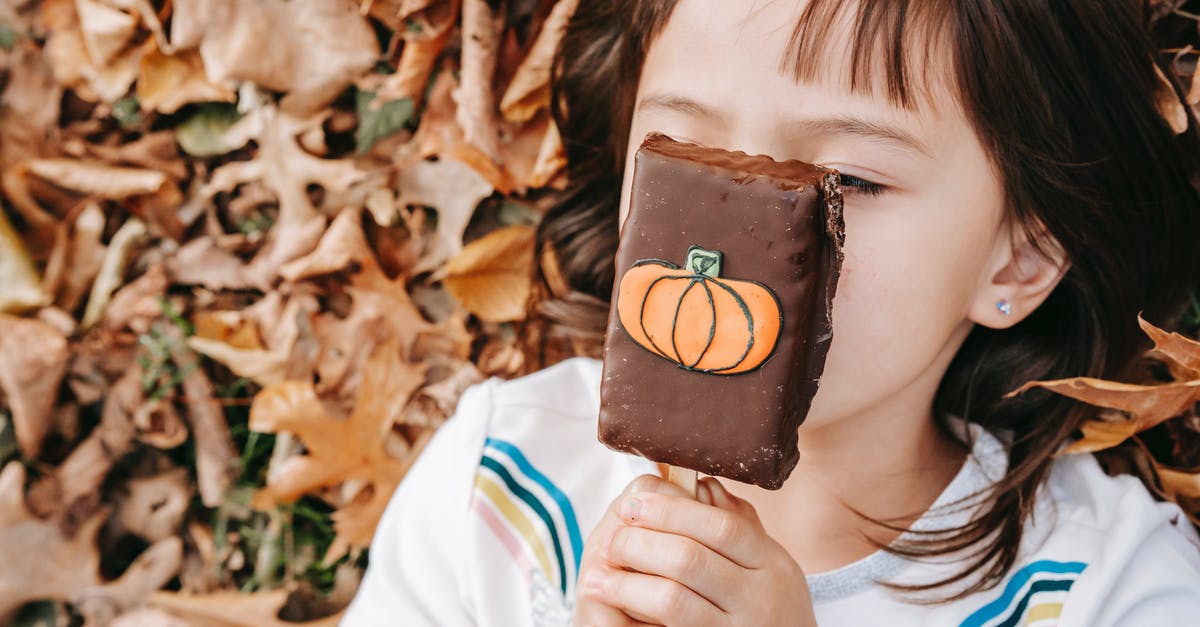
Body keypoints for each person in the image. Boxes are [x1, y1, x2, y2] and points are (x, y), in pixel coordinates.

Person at [342, 0, 1200, 624]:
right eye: (691, 157)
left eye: (853, 180)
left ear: (1020, 255)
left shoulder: (1110, 590)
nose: (747, 233)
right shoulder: (500, 484)